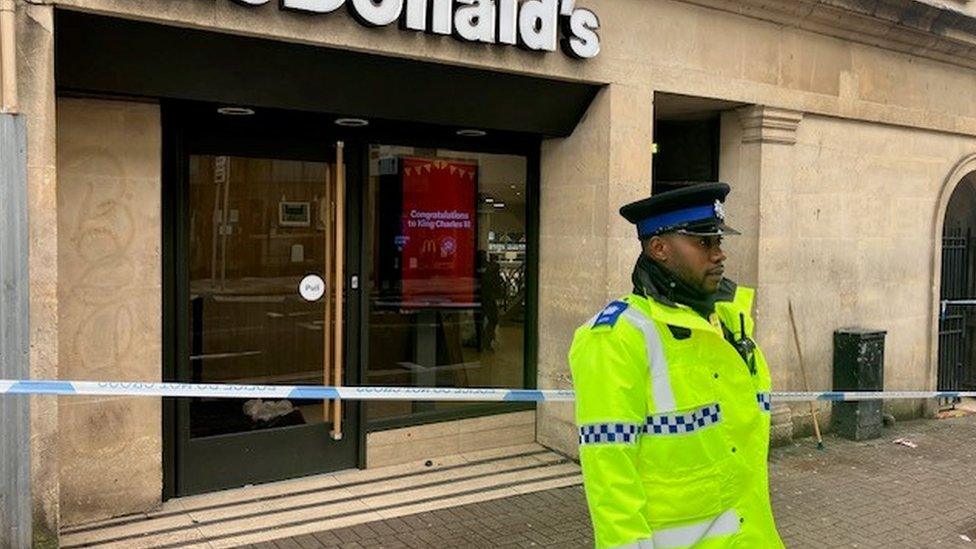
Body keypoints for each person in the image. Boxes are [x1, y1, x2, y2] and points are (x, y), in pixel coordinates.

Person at [569, 182, 783, 549]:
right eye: (704, 243)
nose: (720, 255)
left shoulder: (729, 325)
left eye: (719, 242)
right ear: (659, 248)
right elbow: (609, 471)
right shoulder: (617, 336)